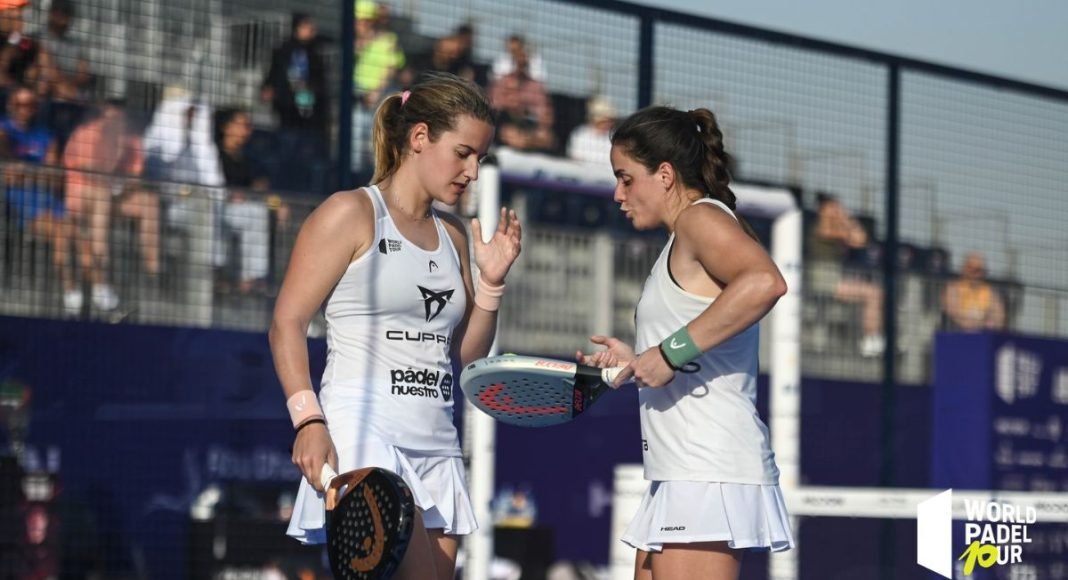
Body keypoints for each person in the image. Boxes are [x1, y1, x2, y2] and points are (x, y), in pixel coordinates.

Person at [270, 72, 521, 580]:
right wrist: (308, 420)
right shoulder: (351, 212)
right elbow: (286, 322)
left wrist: (491, 285)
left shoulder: (453, 238)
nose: (473, 172)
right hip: (365, 438)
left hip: (437, 443)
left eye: (481, 159)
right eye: (464, 153)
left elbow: (469, 356)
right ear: (420, 137)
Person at [576, 105, 793, 580]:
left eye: (626, 178)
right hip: (681, 471)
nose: (618, 193)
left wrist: (671, 352)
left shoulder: (700, 220)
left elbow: (765, 282)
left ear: (666, 174)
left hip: (706, 470)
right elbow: (693, 340)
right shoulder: (681, 238)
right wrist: (638, 360)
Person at [807, 193, 885, 356]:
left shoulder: (836, 228)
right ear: (823, 209)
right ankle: (870, 338)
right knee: (872, 292)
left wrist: (844, 216)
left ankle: (871, 337)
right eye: (833, 207)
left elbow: (861, 240)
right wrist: (845, 218)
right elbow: (854, 236)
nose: (837, 211)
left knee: (874, 293)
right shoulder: (822, 227)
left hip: (835, 280)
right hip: (824, 281)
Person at [942, 251, 1005, 331]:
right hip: (958, 333)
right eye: (971, 269)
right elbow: (953, 314)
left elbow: (999, 317)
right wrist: (980, 324)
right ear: (964, 269)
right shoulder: (954, 288)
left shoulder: (989, 291)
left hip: (982, 334)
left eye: (979, 270)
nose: (975, 274)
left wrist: (988, 324)